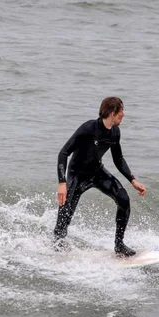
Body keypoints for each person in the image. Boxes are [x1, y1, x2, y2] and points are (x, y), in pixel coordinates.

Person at [54, 97, 147, 257]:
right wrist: (62, 182)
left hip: (97, 172)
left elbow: (118, 159)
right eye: (121, 111)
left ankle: (119, 244)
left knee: (123, 199)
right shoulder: (88, 128)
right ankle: (57, 246)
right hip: (77, 175)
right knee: (65, 215)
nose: (123, 115)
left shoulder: (115, 132)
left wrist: (132, 180)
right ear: (112, 113)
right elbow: (63, 153)